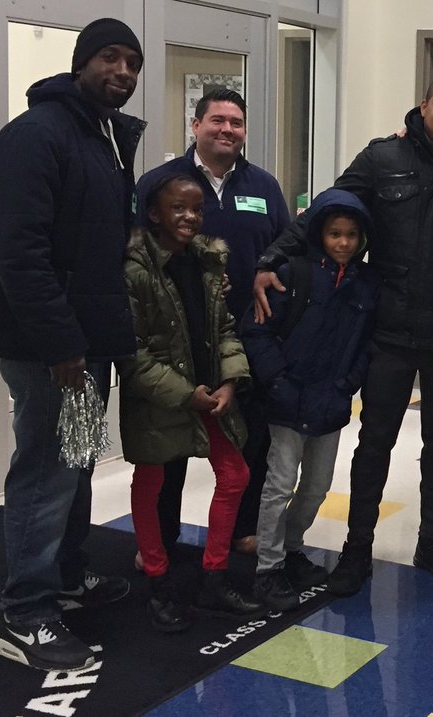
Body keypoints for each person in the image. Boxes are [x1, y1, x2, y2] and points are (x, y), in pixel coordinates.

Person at [253, 74, 433, 595]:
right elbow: (325, 209)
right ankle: (357, 548)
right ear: (423, 105)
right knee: (374, 442)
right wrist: (270, 259)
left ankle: (432, 541)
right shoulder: (381, 157)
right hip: (387, 327)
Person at [0, 17, 144, 671]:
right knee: (47, 472)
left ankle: (65, 575)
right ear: (81, 63)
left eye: (133, 63)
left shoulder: (102, 138)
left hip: (86, 342)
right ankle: (26, 612)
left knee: (76, 460)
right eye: (111, 57)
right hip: (50, 348)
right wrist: (62, 347)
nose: (124, 73)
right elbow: (19, 254)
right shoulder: (35, 136)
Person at [135, 89, 291, 566]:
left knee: (249, 440)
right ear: (195, 124)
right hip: (175, 341)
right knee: (171, 446)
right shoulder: (160, 183)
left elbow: (286, 243)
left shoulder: (263, 186)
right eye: (217, 120)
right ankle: (160, 540)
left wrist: (268, 264)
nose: (227, 129)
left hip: (247, 335)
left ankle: (244, 530)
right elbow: (136, 250)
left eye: (237, 122)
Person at [122, 174, 264, 632]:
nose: (189, 217)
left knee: (235, 473)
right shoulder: (133, 270)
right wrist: (186, 395)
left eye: (197, 209)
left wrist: (229, 381)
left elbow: (223, 330)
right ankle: (159, 585)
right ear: (154, 214)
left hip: (210, 395)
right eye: (178, 208)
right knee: (152, 482)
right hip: (161, 399)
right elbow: (133, 354)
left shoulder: (207, 263)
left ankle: (214, 578)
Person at [241, 189, 379, 610]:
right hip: (287, 402)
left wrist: (347, 385)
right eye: (334, 233)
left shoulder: (365, 285)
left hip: (331, 404)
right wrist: (278, 382)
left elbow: (365, 345)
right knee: (278, 484)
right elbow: (257, 331)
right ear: (319, 233)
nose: (343, 243)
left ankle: (292, 547)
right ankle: (268, 568)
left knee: (317, 487)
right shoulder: (291, 273)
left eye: (352, 235)